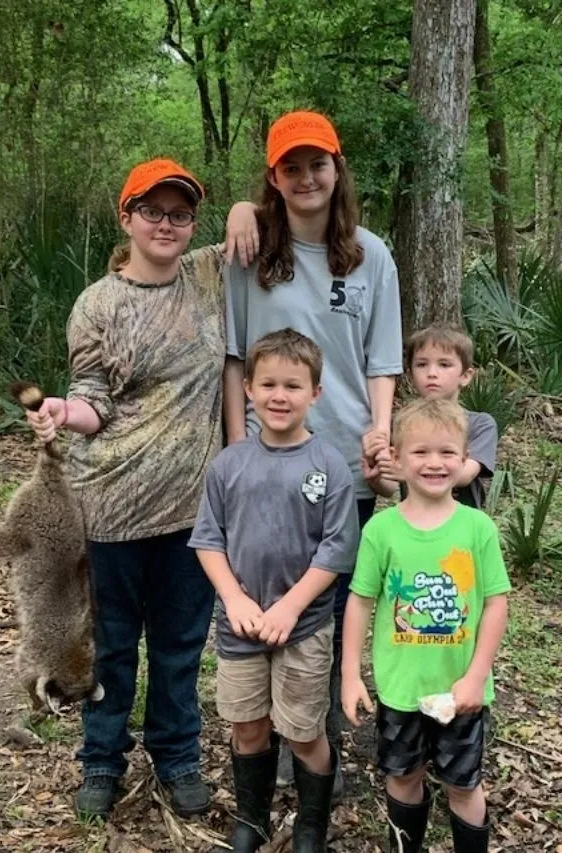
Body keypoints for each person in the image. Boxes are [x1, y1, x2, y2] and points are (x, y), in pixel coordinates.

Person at [23, 158, 226, 819]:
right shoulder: (98, 304)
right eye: (153, 211)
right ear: (127, 217)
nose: (167, 224)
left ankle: (177, 755)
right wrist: (61, 410)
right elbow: (91, 398)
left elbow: (266, 232)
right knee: (110, 645)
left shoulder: (209, 278)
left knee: (179, 646)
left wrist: (250, 211)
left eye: (180, 213)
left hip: (191, 511)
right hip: (108, 509)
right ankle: (103, 760)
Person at [223, 109, 403, 791]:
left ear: (337, 168)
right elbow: (234, 359)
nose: (306, 177)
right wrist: (237, 450)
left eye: (317, 164)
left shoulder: (370, 254)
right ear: (273, 177)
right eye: (290, 166)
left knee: (332, 602)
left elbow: (382, 356)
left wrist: (379, 434)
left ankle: (321, 736)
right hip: (265, 460)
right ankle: (259, 743)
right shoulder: (251, 253)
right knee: (267, 597)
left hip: (347, 458)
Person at [189, 329, 359, 852]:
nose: (279, 395)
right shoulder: (229, 464)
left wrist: (289, 606)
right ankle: (253, 821)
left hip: (302, 627)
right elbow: (208, 539)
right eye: (267, 384)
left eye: (292, 385)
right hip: (239, 625)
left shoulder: (329, 465)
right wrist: (236, 599)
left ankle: (311, 827)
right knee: (248, 727)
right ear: (249, 391)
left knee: (305, 731)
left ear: (316, 393)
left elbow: (336, 550)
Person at [342, 398, 510, 853]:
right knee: (402, 776)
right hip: (401, 688)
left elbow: (496, 603)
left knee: (464, 783)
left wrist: (476, 677)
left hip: (461, 691)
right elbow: (359, 602)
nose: (434, 463)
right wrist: (351, 675)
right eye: (420, 452)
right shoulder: (382, 531)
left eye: (446, 453)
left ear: (463, 459)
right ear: (396, 457)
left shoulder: (478, 529)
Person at [363, 325, 498, 507]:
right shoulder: (401, 424)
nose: (432, 373)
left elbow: (465, 474)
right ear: (410, 374)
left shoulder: (480, 424)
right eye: (421, 364)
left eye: (444, 364)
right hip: (412, 525)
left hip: (462, 528)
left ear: (465, 376)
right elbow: (389, 488)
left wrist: (408, 473)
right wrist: (376, 475)